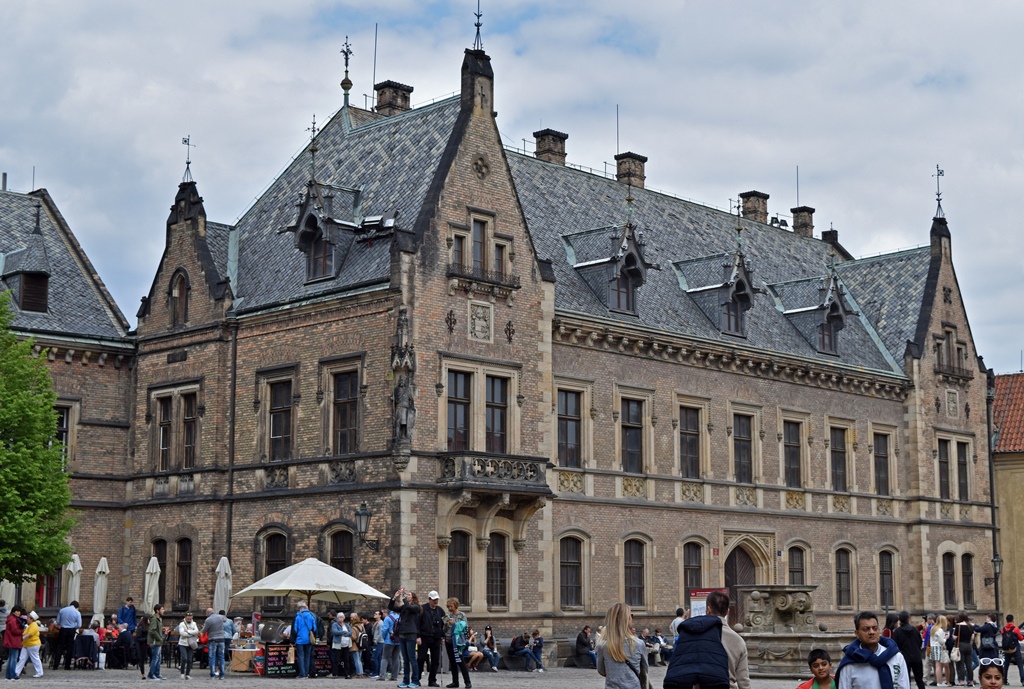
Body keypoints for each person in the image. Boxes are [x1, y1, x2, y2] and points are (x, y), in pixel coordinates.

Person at [835, 611, 910, 689]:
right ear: (857, 634)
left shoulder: (896, 657)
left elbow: (904, 685)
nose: (871, 632)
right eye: (866, 629)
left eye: (875, 628)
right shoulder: (849, 664)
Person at [596, 602, 647, 689]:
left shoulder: (602, 646)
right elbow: (645, 668)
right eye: (631, 615)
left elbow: (601, 671)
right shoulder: (639, 644)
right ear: (627, 619)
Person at [389, 587, 422, 689]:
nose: (407, 596)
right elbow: (391, 607)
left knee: (412, 658)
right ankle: (406, 680)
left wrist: (403, 599)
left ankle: (415, 681)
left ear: (413, 598)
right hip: (402, 634)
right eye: (406, 595)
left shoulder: (416, 607)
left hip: (411, 634)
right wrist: (395, 597)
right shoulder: (404, 607)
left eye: (409, 595)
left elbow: (409, 608)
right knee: (406, 659)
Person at [418, 591, 445, 687]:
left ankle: (432, 680)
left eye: (436, 600)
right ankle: (417, 678)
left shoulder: (440, 611)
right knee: (421, 658)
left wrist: (443, 636)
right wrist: (418, 636)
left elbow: (444, 625)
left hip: (436, 638)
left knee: (435, 660)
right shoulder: (422, 609)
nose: (435, 602)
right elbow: (418, 623)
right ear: (429, 599)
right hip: (424, 637)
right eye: (433, 600)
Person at [442, 598, 471, 688]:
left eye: (451, 606)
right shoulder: (448, 615)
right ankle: (455, 682)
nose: (450, 608)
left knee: (460, 661)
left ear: (456, 605)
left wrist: (454, 624)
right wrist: (446, 625)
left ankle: (467, 682)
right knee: (452, 662)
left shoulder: (462, 615)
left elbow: (465, 627)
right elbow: (444, 630)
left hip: (458, 642)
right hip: (448, 640)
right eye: (448, 606)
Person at [893, 611, 925, 689]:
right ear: (908, 619)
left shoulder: (897, 631)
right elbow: (919, 642)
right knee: (919, 680)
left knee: (906, 681)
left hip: (905, 658)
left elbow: (896, 645)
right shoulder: (915, 630)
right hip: (917, 657)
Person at [291, 600, 318, 679]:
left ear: (299, 608)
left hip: (300, 639)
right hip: (309, 639)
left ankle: (302, 674)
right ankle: (306, 673)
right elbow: (314, 628)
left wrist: (293, 639)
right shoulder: (311, 615)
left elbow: (295, 629)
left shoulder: (297, 616)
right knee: (307, 657)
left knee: (300, 657)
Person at [53, 599, 81, 670]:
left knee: (59, 647)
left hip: (63, 630)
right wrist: (73, 626)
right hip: (71, 630)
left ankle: (56, 665)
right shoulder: (77, 613)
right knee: (70, 648)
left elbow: (58, 621)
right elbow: (79, 625)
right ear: (76, 607)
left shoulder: (62, 610)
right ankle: (67, 666)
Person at [14, 611, 44, 679]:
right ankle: (16, 672)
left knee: (34, 658)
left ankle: (39, 672)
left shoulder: (33, 625)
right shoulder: (31, 625)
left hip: (32, 644)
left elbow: (29, 634)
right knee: (22, 658)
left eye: (28, 618)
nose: (27, 619)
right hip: (27, 644)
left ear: (32, 619)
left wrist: (21, 639)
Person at [201, 607, 228, 679]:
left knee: (212, 657)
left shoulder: (208, 620)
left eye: (206, 613)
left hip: (212, 639)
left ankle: (212, 674)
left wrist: (204, 628)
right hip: (221, 639)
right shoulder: (221, 617)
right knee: (221, 657)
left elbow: (204, 631)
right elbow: (225, 620)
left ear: (208, 613)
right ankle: (222, 675)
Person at [1001, 614, 1024, 685]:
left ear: (1006, 620)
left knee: (1006, 665)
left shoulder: (1003, 629)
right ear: (1013, 620)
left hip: (1007, 649)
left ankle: (1004, 680)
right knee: (1020, 665)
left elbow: (1003, 636)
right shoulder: (1015, 629)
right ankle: (1023, 680)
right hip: (1015, 649)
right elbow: (1021, 638)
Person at [953, 612, 975, 686]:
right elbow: (972, 637)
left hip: (961, 645)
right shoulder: (970, 626)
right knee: (969, 664)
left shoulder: (958, 626)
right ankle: (971, 681)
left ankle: (962, 681)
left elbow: (955, 637)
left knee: (961, 664)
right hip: (968, 645)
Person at [378, 609, 400, 681]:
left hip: (389, 640)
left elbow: (384, 630)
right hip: (398, 641)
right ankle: (394, 676)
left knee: (385, 658)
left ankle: (382, 676)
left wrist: (384, 638)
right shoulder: (400, 617)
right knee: (396, 658)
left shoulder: (388, 618)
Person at [3, 605, 24, 680]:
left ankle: (8, 675)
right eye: (17, 611)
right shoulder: (13, 620)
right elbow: (15, 631)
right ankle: (13, 674)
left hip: (10, 640)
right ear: (13, 612)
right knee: (14, 658)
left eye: (19, 611)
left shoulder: (11, 619)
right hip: (14, 640)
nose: (18, 613)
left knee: (11, 658)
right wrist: (22, 631)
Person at [178, 611, 199, 680]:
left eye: (190, 618)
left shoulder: (194, 623)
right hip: (183, 643)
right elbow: (182, 633)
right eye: (188, 618)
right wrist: (191, 633)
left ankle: (187, 674)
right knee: (184, 658)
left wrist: (187, 631)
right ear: (185, 617)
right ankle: (182, 673)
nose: (189, 619)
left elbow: (196, 631)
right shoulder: (181, 624)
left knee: (190, 660)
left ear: (192, 617)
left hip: (191, 644)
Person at [146, 604, 166, 680]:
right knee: (155, 658)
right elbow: (152, 630)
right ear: (157, 611)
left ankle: (157, 673)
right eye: (162, 609)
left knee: (158, 658)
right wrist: (159, 638)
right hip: (154, 641)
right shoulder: (154, 619)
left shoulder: (159, 619)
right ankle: (151, 674)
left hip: (157, 641)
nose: (163, 611)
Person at [930, 614, 950, 687]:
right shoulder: (940, 630)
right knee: (939, 665)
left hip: (933, 647)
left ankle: (939, 681)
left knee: (937, 665)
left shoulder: (933, 628)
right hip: (938, 647)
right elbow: (942, 641)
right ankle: (939, 682)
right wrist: (946, 638)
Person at [330, 611, 352, 678]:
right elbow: (334, 632)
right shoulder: (335, 624)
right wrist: (344, 632)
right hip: (338, 644)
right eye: (339, 617)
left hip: (346, 644)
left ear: (344, 618)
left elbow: (350, 633)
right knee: (336, 660)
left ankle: (347, 674)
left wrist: (344, 634)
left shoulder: (347, 625)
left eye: (342, 617)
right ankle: (335, 673)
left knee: (346, 660)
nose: (340, 618)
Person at [349, 612, 366, 677]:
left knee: (356, 660)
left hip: (355, 646)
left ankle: (359, 673)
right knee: (359, 659)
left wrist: (348, 635)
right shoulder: (361, 626)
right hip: (361, 645)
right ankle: (361, 673)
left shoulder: (354, 627)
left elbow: (353, 637)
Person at [135, 613, 150, 679]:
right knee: (142, 660)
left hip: (147, 645)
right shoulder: (140, 627)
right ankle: (143, 674)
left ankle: (151, 672)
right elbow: (138, 638)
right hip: (142, 646)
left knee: (153, 657)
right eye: (149, 619)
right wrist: (147, 639)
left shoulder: (147, 626)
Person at [370, 609, 384, 678]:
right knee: (378, 658)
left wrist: (376, 640)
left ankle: (375, 672)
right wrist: (373, 626)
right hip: (377, 641)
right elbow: (373, 633)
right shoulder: (376, 623)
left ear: (380, 615)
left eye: (376, 614)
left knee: (374, 657)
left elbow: (381, 633)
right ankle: (378, 672)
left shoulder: (381, 623)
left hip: (379, 642)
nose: (374, 615)